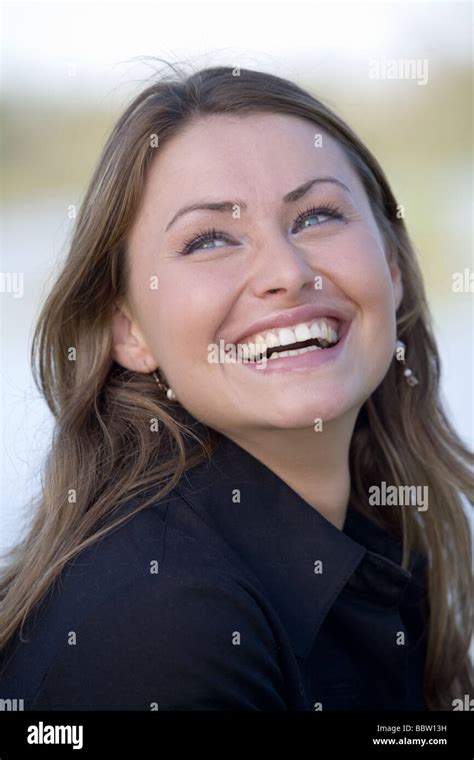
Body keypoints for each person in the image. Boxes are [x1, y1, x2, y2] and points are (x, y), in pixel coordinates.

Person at [0, 63, 472, 711]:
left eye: (316, 216)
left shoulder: (372, 544)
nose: (286, 271)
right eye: (210, 239)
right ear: (129, 329)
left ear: (391, 265)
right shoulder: (164, 630)